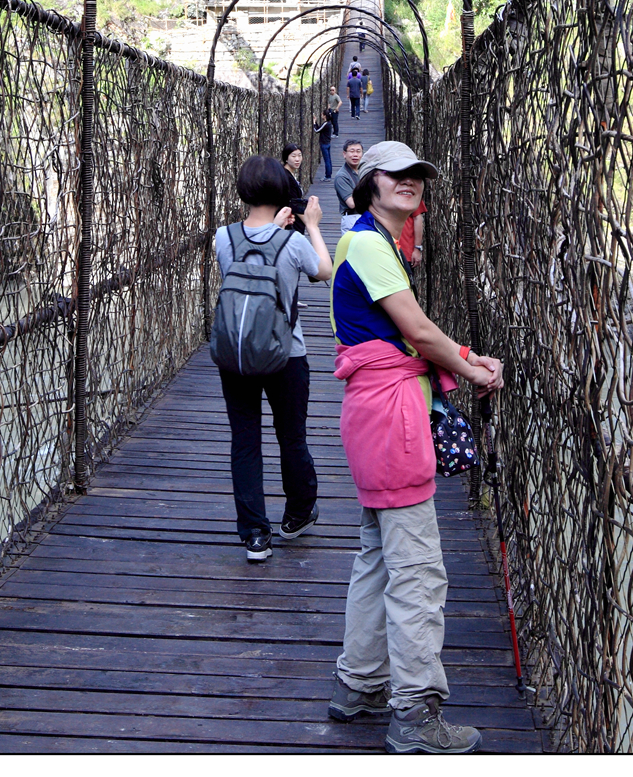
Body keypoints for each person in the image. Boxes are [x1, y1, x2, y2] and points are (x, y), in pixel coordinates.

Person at [326, 140, 504, 753]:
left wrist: (463, 357)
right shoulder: (374, 245)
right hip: (392, 416)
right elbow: (419, 331)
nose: (409, 182)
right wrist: (476, 371)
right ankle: (415, 715)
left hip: (373, 412)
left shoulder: (366, 241)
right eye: (395, 174)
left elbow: (417, 331)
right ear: (370, 182)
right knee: (419, 572)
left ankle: (360, 683)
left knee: (377, 554)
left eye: (417, 176)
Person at [215, 155, 332, 561]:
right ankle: (297, 514)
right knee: (291, 435)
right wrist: (312, 226)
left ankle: (254, 536)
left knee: (244, 441)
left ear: (242, 189)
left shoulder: (222, 238)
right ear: (283, 191)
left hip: (237, 352)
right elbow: (324, 271)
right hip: (287, 352)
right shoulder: (294, 241)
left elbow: (245, 265)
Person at [332, 140, 364, 218]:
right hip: (353, 218)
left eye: (358, 151)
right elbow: (352, 203)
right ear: (344, 154)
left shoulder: (365, 170)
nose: (355, 155)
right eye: (352, 151)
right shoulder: (341, 176)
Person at [280, 143, 307, 226]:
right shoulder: (287, 178)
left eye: (299, 155)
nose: (297, 159)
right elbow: (294, 203)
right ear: (286, 158)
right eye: (293, 156)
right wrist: (310, 224)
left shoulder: (287, 173)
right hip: (291, 222)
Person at [314, 110, 334, 179]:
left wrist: (314, 123)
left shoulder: (326, 124)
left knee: (327, 160)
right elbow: (320, 128)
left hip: (324, 144)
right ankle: (329, 174)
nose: (321, 116)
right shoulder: (328, 123)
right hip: (327, 143)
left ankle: (327, 176)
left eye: (322, 114)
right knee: (328, 160)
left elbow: (317, 130)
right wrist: (316, 122)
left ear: (325, 116)